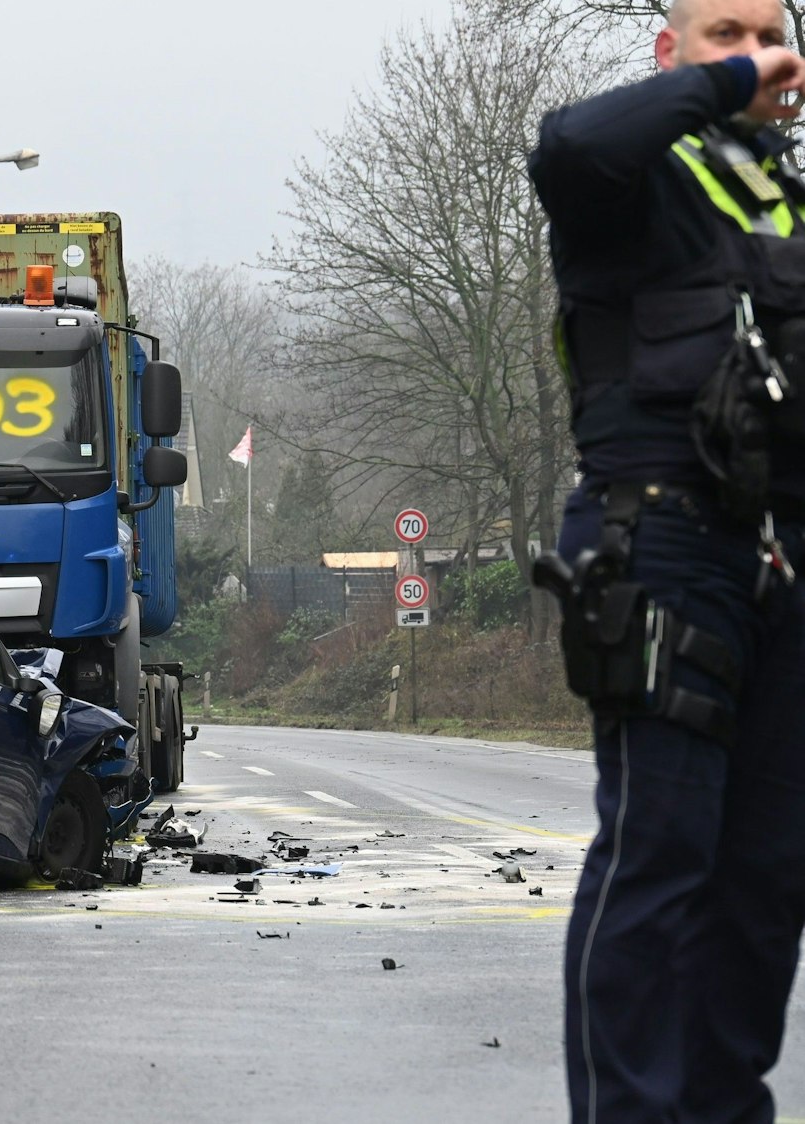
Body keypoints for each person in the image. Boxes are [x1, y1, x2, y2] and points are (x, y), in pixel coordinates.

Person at [530, 2, 805, 1120]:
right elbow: (570, 144)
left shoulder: (787, 203)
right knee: (661, 847)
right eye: (719, 33)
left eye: (766, 35)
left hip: (781, 560)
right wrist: (725, 87)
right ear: (669, 56)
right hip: (658, 542)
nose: (746, 53)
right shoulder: (626, 181)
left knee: (765, 876)